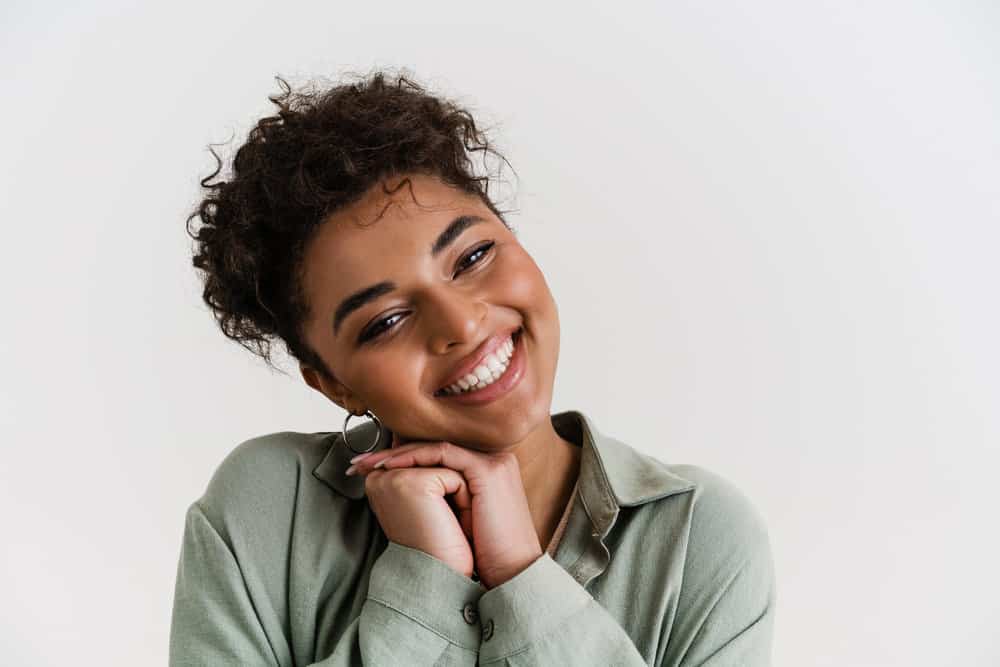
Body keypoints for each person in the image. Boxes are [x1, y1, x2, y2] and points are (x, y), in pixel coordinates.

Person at [170, 68, 776, 666]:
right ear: (334, 383)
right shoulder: (271, 507)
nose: (460, 324)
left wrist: (522, 577)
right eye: (385, 321)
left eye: (474, 255)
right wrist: (426, 583)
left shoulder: (700, 535)